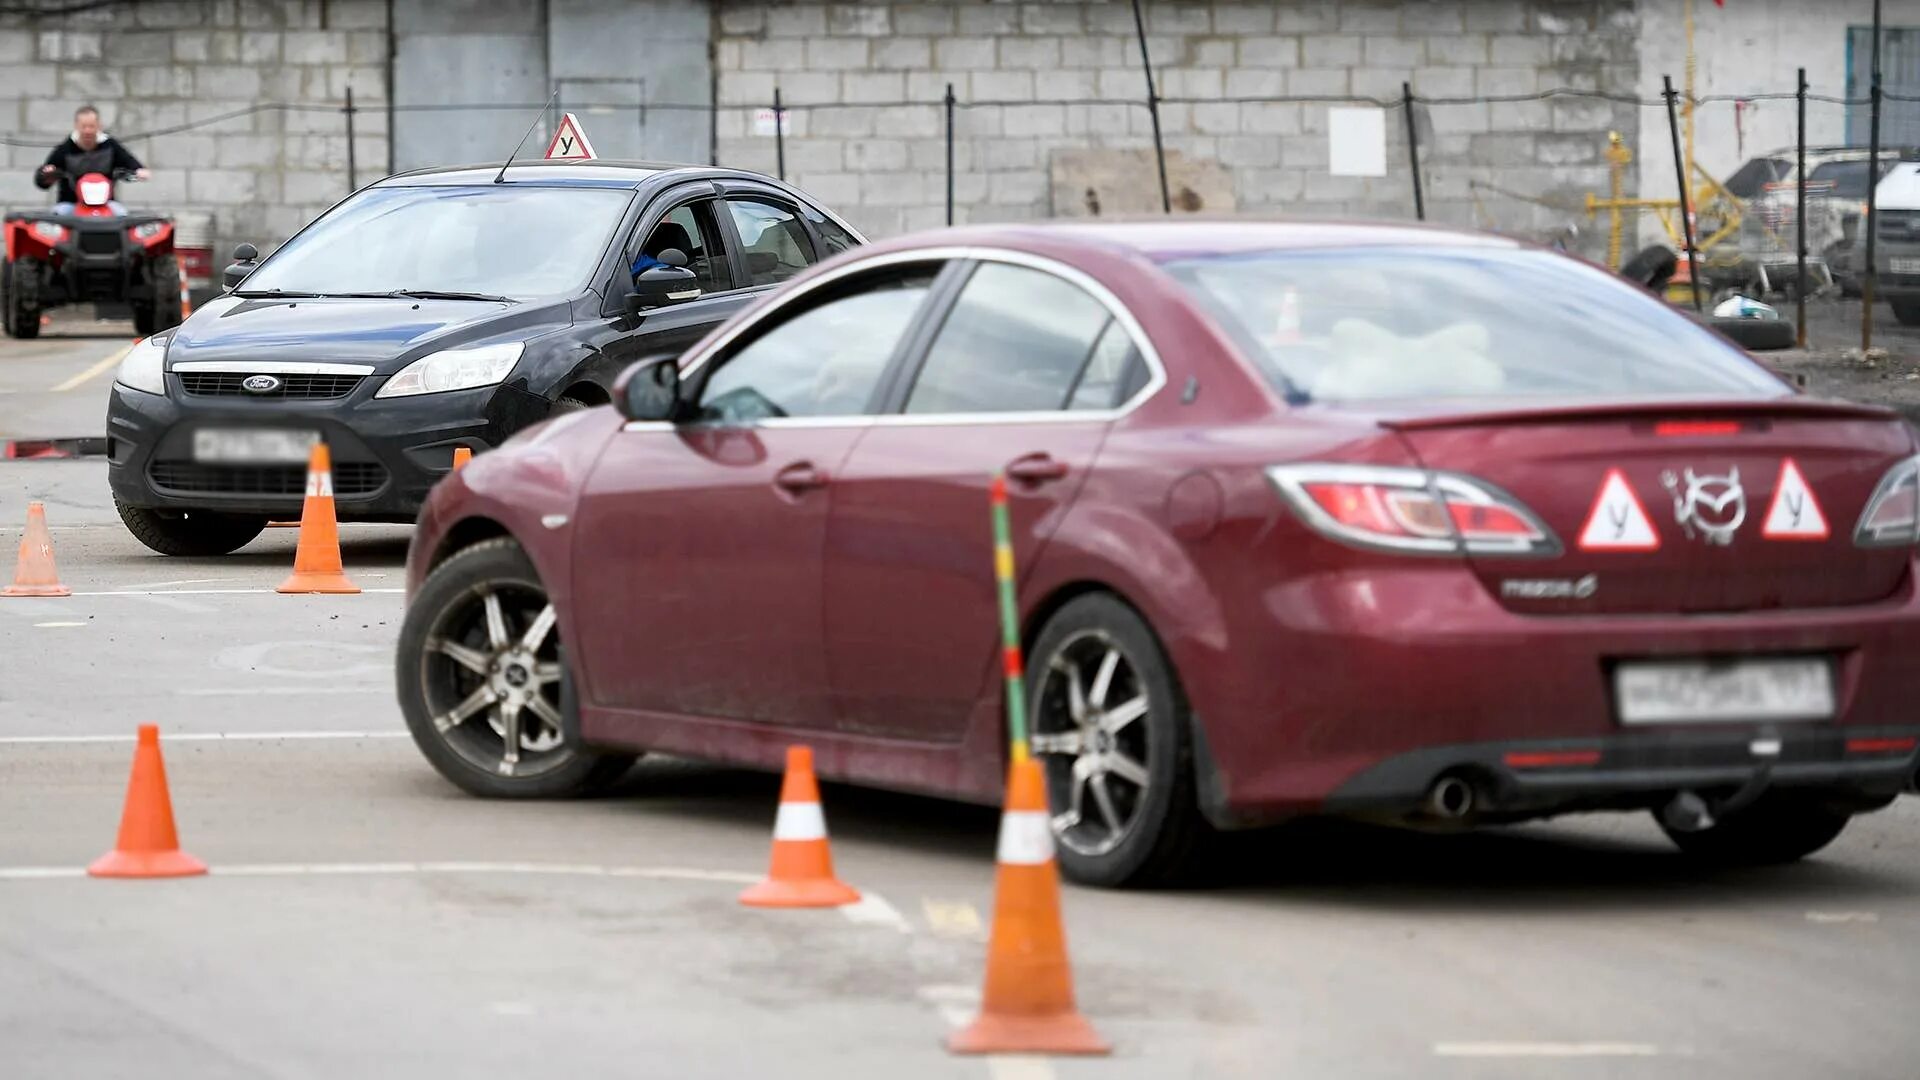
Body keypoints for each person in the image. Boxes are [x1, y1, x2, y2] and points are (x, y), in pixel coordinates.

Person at [35, 104, 149, 207]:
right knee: (59, 215)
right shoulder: (64, 149)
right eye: (83, 126)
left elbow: (128, 160)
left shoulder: (110, 146)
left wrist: (139, 170)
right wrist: (47, 176)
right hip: (70, 204)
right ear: (76, 126)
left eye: (91, 126)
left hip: (105, 204)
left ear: (99, 126)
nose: (87, 131)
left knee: (120, 214)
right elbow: (43, 180)